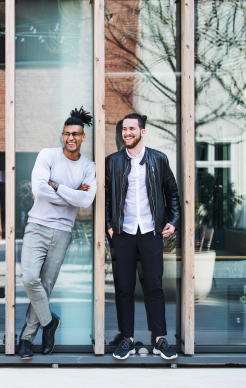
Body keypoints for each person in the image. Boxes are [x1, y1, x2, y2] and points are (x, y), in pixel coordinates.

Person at [18, 107, 97, 359]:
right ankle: (49, 322)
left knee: (45, 285)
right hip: (37, 226)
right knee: (30, 279)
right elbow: (39, 190)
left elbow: (86, 201)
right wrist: (70, 194)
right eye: (67, 133)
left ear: (83, 137)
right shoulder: (47, 156)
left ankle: (26, 339)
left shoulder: (88, 167)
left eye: (76, 134)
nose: (71, 138)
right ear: (62, 136)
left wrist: (58, 185)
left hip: (63, 232)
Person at [105, 113, 180, 360]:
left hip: (150, 231)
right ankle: (126, 339)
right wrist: (109, 225)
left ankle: (160, 339)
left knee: (155, 287)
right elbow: (106, 198)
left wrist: (173, 221)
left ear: (142, 132)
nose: (127, 133)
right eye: (124, 129)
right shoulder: (112, 161)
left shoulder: (159, 159)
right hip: (123, 232)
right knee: (124, 288)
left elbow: (172, 193)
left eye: (131, 129)